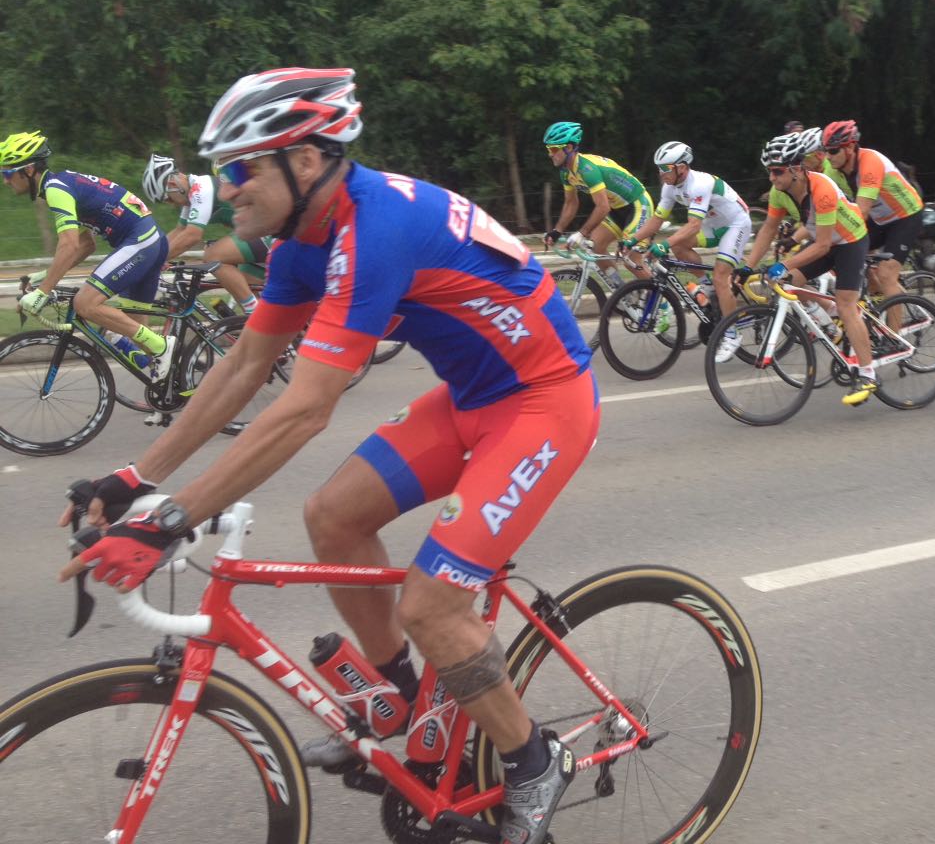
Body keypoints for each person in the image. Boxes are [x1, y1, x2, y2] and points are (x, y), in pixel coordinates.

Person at [58, 68, 596, 844]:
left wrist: (168, 521)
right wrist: (135, 478)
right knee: (332, 516)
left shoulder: (374, 228)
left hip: (543, 404)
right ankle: (401, 703)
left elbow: (305, 407)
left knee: (431, 604)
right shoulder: (306, 242)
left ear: (305, 161)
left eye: (242, 168)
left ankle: (533, 759)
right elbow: (244, 367)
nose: (227, 188)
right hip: (472, 399)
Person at [1, 130, 174, 371]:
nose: (5, 180)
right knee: (135, 332)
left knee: (85, 303)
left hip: (140, 241)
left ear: (28, 170)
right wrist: (43, 276)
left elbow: (69, 244)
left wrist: (42, 292)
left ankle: (163, 347)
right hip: (151, 240)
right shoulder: (64, 183)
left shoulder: (56, 190)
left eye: (7, 173)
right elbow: (85, 244)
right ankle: (168, 388)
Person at [739, 131, 877, 406]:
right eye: (769, 172)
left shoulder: (822, 189)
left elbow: (824, 246)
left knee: (847, 303)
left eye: (777, 171)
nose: (772, 178)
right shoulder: (780, 193)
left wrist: (782, 263)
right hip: (823, 242)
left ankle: (867, 373)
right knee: (789, 282)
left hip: (849, 241)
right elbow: (768, 228)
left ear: (795, 170)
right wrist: (746, 267)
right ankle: (831, 319)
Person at [624, 141, 753, 361]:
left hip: (735, 224)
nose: (661, 173)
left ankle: (732, 334)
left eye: (665, 168)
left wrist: (664, 244)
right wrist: (630, 240)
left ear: (681, 167)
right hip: (713, 226)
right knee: (680, 245)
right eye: (659, 169)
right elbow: (657, 220)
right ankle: (708, 286)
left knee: (722, 275)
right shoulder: (670, 187)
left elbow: (693, 225)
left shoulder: (699, 184)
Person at [143, 153, 269, 314]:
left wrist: (156, 262)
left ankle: (253, 312)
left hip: (266, 229)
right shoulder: (192, 194)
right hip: (258, 234)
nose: (171, 204)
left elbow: (192, 235)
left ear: (173, 183)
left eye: (168, 199)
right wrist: (152, 255)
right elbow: (179, 231)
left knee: (213, 256)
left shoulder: (201, 189)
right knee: (248, 291)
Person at [821, 119, 924, 307]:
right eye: (825, 150)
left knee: (886, 274)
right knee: (847, 250)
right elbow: (824, 205)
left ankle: (893, 334)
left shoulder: (870, 162)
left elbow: (861, 212)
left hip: (905, 216)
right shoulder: (832, 169)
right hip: (881, 218)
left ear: (850, 147)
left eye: (833, 150)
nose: (828, 156)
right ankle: (878, 296)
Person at [542, 121, 653, 286]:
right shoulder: (566, 172)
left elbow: (602, 207)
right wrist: (557, 231)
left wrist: (582, 233)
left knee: (630, 258)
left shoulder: (588, 170)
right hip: (617, 209)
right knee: (596, 247)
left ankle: (664, 305)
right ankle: (622, 293)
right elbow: (571, 204)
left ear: (570, 148)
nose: (550, 154)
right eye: (548, 149)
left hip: (637, 204)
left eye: (554, 149)